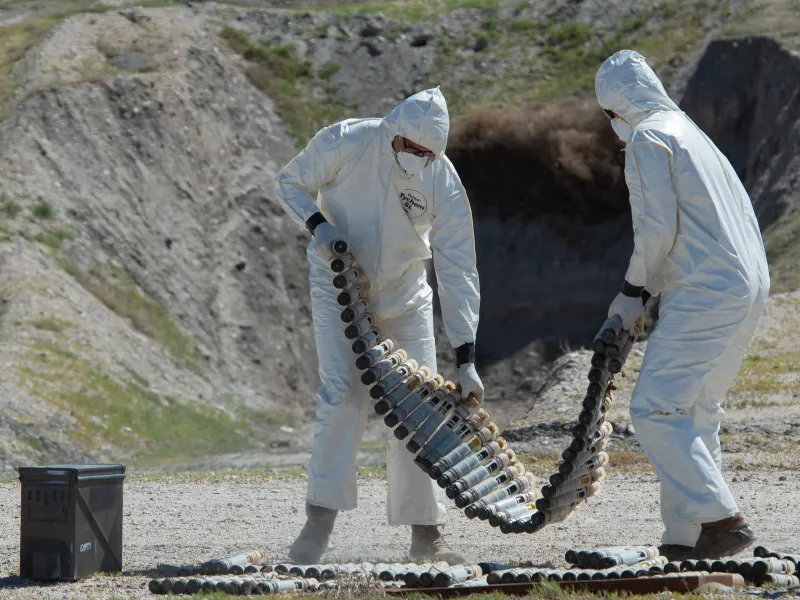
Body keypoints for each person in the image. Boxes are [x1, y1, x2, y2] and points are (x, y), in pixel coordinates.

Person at [274, 88, 483, 565]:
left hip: (405, 299)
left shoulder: (442, 181)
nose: (419, 159)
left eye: (429, 154)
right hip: (339, 287)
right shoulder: (349, 140)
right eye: (413, 149)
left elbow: (458, 267)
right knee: (343, 396)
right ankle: (318, 523)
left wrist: (466, 356)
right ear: (394, 134)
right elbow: (289, 182)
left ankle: (426, 535)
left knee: (419, 411)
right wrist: (318, 226)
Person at [595, 50, 770, 561]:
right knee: (695, 411)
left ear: (618, 107)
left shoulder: (650, 137)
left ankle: (723, 518)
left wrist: (632, 294)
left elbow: (656, 230)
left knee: (654, 408)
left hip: (707, 288)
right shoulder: (694, 135)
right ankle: (687, 537)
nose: (613, 127)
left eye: (610, 116)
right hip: (747, 285)